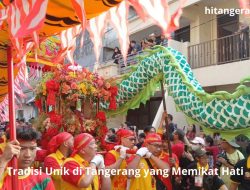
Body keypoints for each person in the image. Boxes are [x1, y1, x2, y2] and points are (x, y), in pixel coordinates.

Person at [0, 125, 55, 189]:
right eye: (22, 149)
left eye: (32, 149)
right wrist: (3, 160)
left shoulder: (44, 179)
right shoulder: (2, 177)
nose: (28, 155)